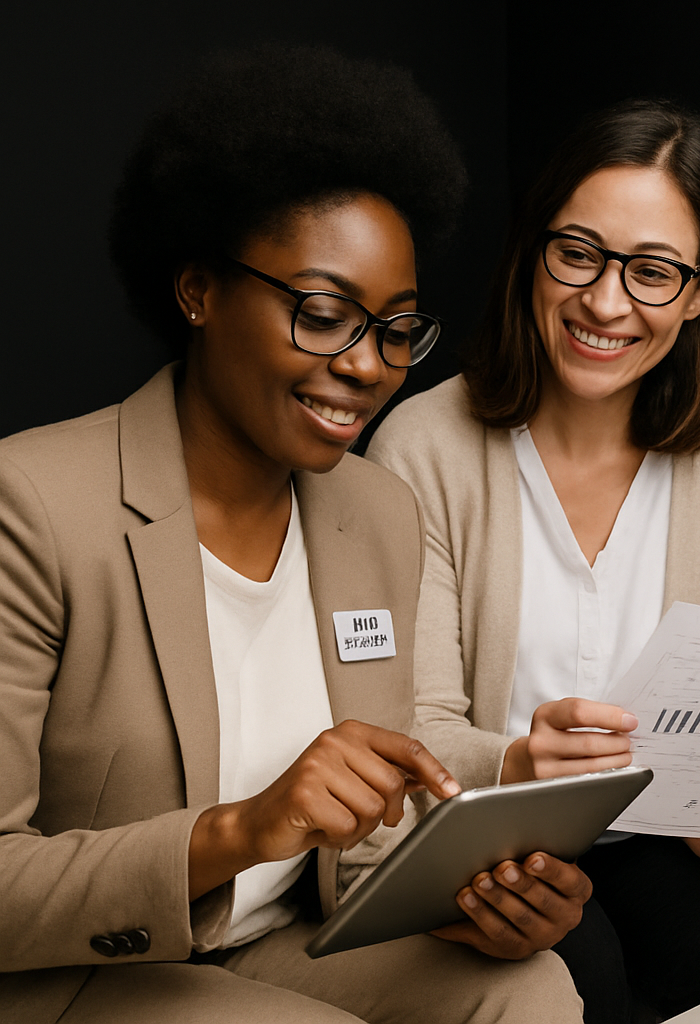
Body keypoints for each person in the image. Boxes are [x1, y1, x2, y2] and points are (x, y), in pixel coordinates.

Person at [0, 45, 583, 1024]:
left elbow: (359, 846)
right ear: (199, 289)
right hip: (82, 971)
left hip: (279, 942)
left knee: (526, 987)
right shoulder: (32, 505)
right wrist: (241, 830)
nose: (367, 365)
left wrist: (481, 901)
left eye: (394, 329)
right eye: (323, 313)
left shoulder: (377, 514)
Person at [366, 98, 700, 1023]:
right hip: (489, 840)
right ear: (535, 250)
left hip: (655, 839)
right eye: (578, 253)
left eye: (652, 272)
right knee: (579, 971)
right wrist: (519, 761)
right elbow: (413, 726)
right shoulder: (422, 446)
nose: (605, 303)